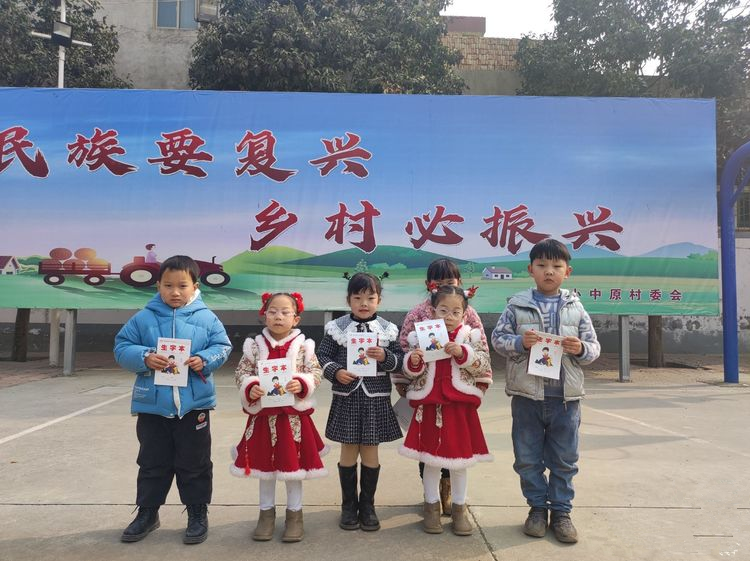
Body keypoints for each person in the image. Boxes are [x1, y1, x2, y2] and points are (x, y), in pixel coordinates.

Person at [114, 255, 232, 545]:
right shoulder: (144, 318)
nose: (175, 292)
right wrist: (144, 356)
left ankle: (197, 513)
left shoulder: (207, 318)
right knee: (152, 462)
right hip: (153, 407)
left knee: (195, 463)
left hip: (194, 407)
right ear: (158, 286)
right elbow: (121, 346)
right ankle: (147, 513)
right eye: (168, 285)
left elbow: (222, 346)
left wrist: (204, 359)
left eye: (182, 285)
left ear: (195, 286)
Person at [491, 238, 600, 544]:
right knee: (527, 458)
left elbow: (594, 348)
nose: (548, 271)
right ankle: (537, 510)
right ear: (531, 270)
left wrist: (580, 349)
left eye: (556, 266)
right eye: (541, 265)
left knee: (565, 459)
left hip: (565, 399)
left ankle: (562, 513)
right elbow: (497, 339)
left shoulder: (576, 307)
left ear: (567, 272)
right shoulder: (516, 305)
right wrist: (519, 343)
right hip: (527, 397)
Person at [396, 285, 493, 536]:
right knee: (430, 460)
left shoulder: (470, 336)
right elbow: (411, 372)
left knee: (459, 462)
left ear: (464, 314)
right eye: (443, 310)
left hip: (459, 408)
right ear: (432, 311)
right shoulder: (421, 336)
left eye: (455, 312)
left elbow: (483, 364)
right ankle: (431, 507)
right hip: (429, 406)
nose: (449, 316)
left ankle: (459, 509)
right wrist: (413, 362)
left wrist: (463, 353)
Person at [231, 292, 327, 543]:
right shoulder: (253, 347)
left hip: (292, 420)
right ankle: (266, 515)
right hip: (263, 418)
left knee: (293, 468)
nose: (278, 316)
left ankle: (295, 515)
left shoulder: (304, 346)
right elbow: (241, 373)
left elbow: (316, 372)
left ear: (296, 319)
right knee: (265, 468)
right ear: (264, 316)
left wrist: (302, 383)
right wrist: (250, 386)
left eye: (285, 312)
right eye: (272, 311)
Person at [316, 272, 404, 532]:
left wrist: (385, 356)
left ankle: (367, 506)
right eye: (357, 297)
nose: (364, 303)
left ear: (379, 300)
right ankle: (348, 506)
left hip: (375, 397)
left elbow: (400, 361)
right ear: (348, 300)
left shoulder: (387, 329)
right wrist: (336, 372)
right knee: (348, 448)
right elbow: (322, 356)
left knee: (370, 449)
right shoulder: (337, 327)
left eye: (370, 297)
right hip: (347, 397)